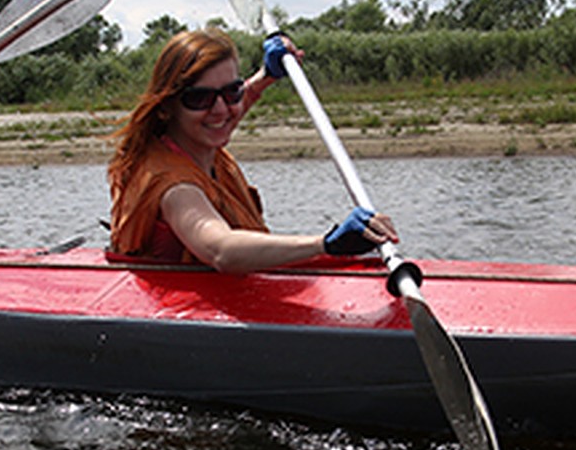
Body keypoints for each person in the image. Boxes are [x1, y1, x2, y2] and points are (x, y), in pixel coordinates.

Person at [108, 28, 398, 272]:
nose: (221, 109)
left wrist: (266, 75)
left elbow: (223, 110)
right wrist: (327, 243)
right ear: (168, 106)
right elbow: (220, 249)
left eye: (231, 92)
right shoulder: (174, 186)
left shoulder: (195, 139)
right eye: (199, 98)